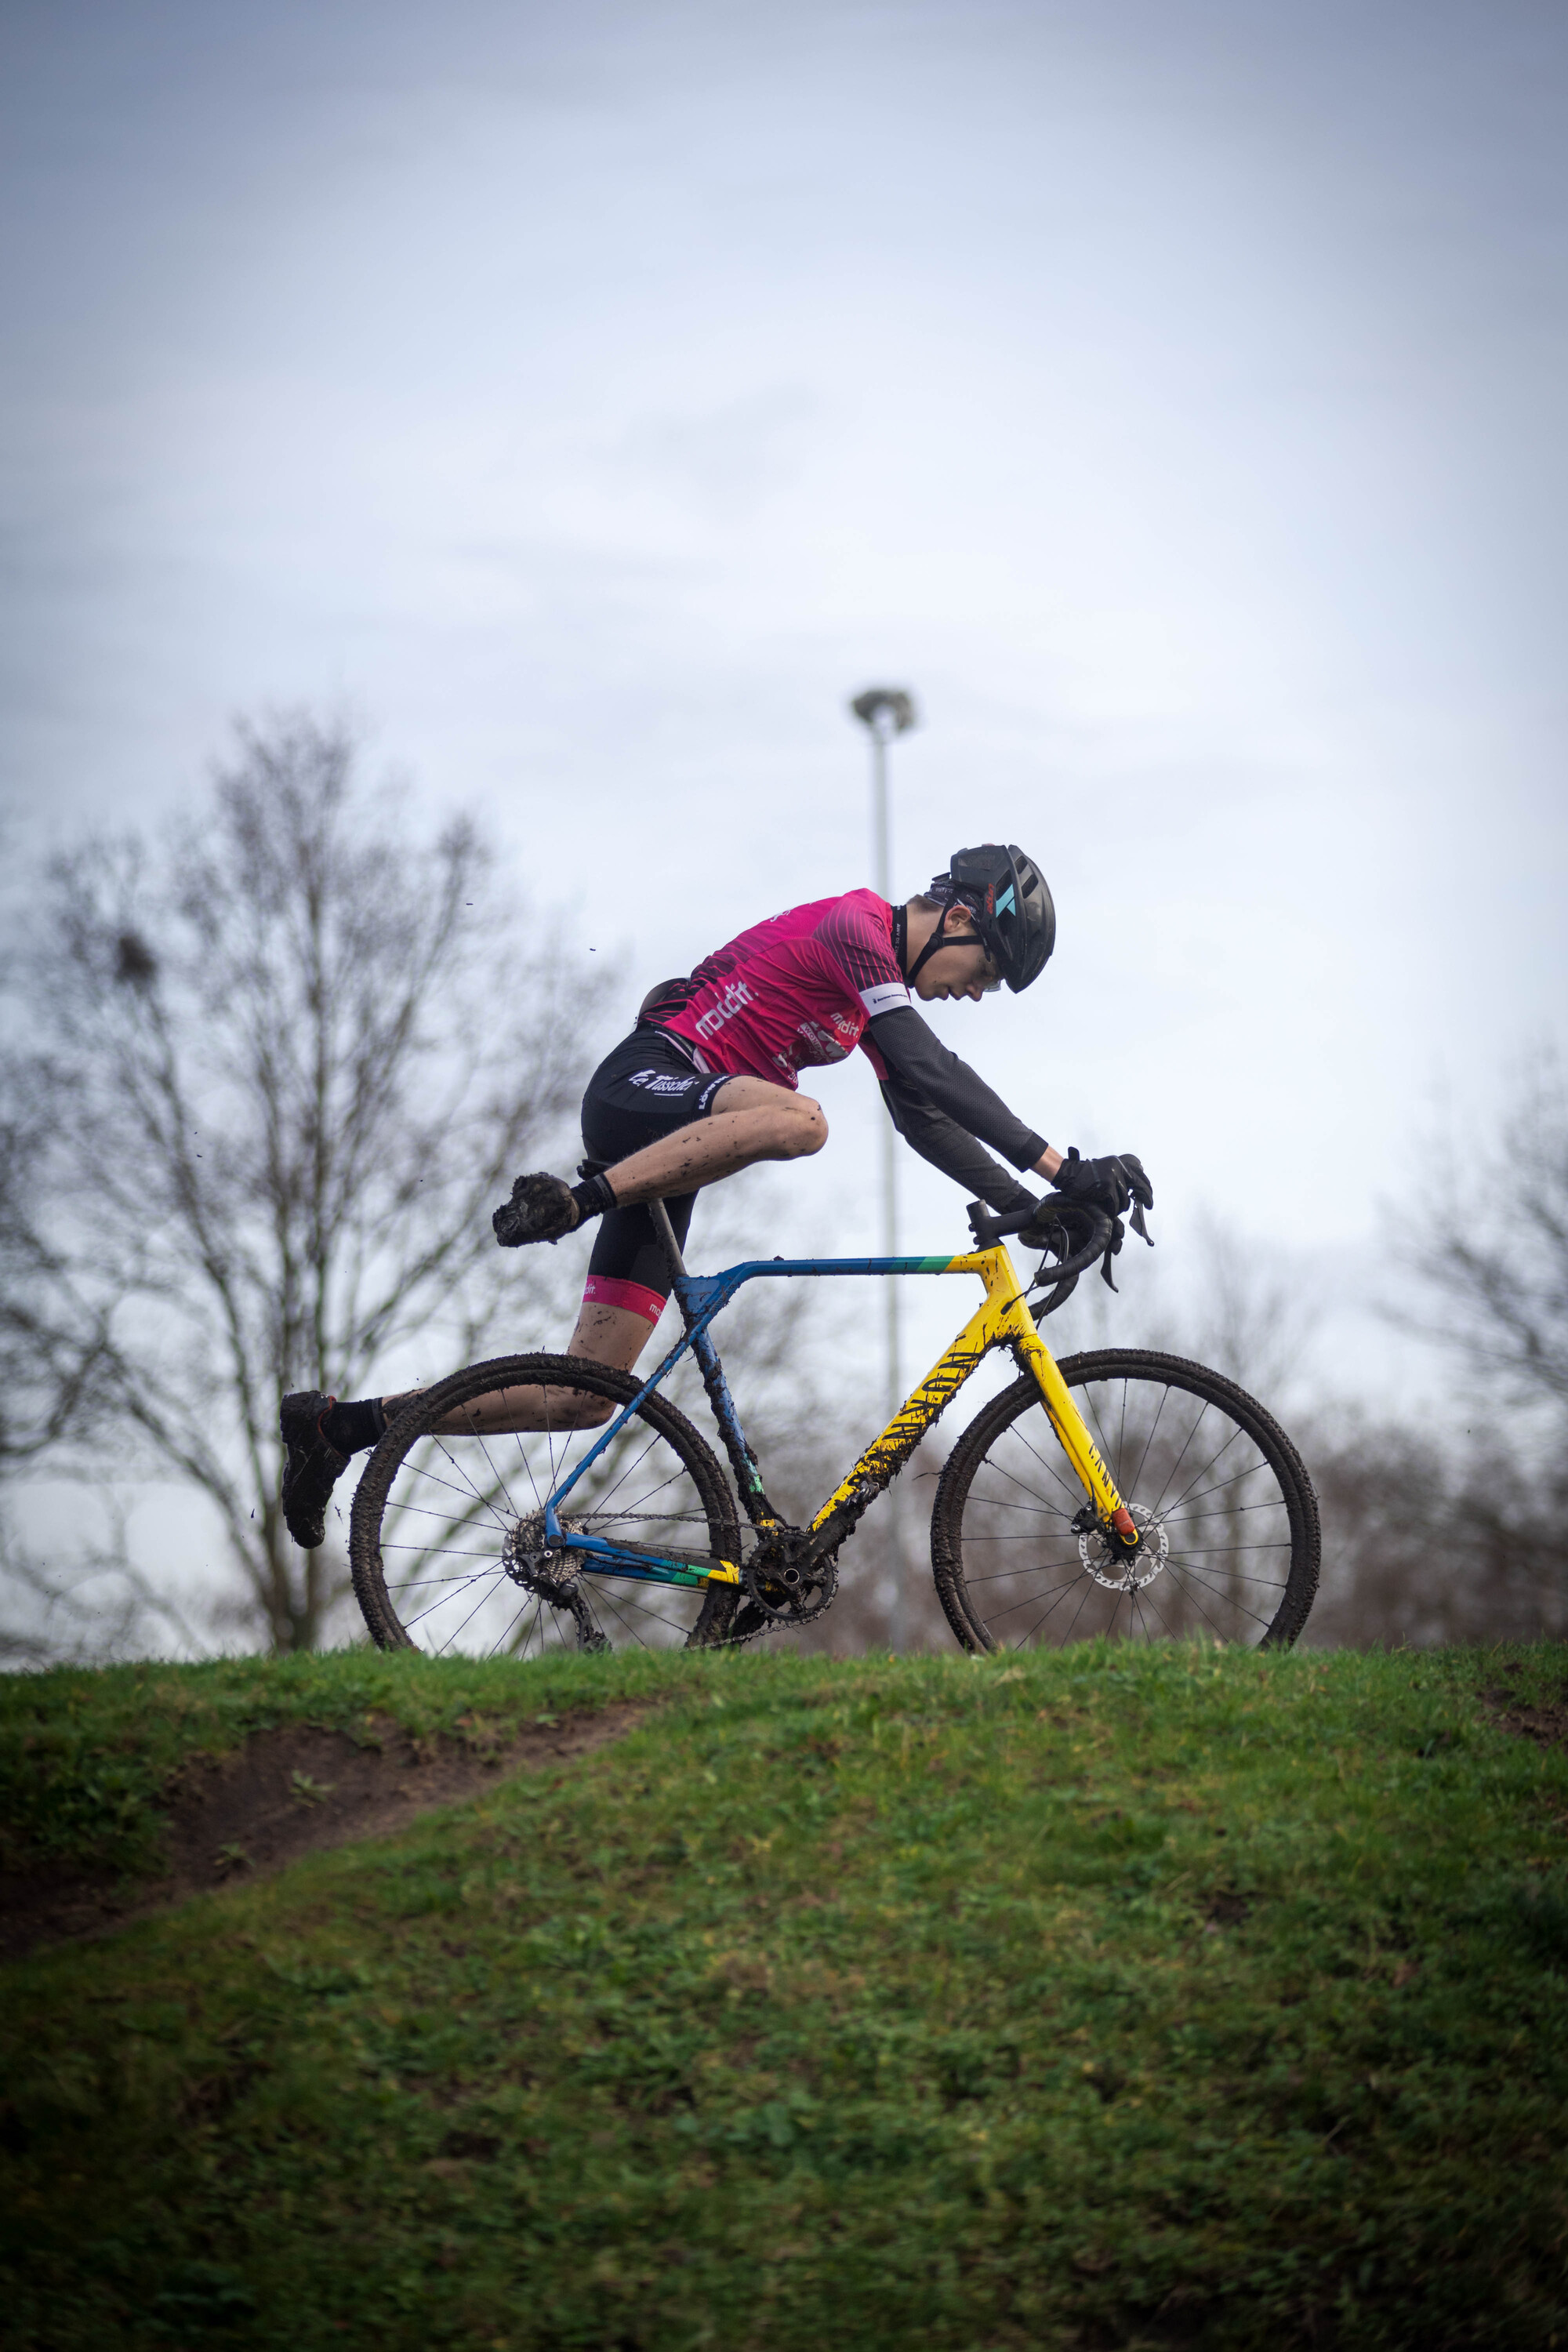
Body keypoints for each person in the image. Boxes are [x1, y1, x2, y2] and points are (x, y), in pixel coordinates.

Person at [279, 843, 1151, 1548]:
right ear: (957, 916)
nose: (975, 992)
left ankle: (341, 1427)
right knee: (803, 1122)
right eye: (985, 970)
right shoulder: (855, 926)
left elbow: (922, 1116)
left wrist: (1033, 1206)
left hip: (674, 1149)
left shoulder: (864, 995)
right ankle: (571, 1202)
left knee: (586, 1394)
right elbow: (930, 1066)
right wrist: (1060, 1166)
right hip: (645, 1087)